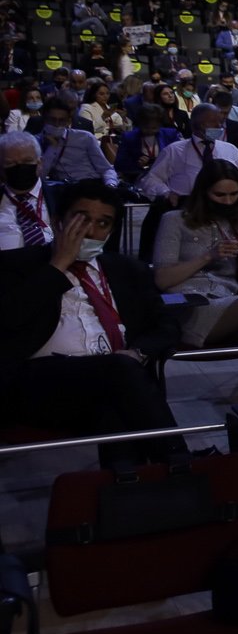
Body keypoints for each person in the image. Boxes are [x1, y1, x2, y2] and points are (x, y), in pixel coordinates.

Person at [0, 181, 181, 465]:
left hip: (110, 377)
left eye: (103, 223)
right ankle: (182, 463)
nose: (91, 230)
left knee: (114, 406)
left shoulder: (126, 269)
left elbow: (166, 325)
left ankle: (132, 494)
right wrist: (57, 265)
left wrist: (138, 352)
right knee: (119, 373)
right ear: (59, 221)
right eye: (81, 219)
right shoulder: (16, 265)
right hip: (36, 383)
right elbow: (7, 320)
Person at [151, 159, 238, 347]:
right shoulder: (174, 220)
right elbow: (162, 279)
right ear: (203, 193)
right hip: (188, 304)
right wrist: (208, 256)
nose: (228, 201)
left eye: (234, 194)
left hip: (228, 301)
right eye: (220, 195)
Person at [0, 130, 55, 252]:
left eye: (27, 161)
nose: (20, 167)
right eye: (10, 163)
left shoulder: (61, 196)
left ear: (39, 164)